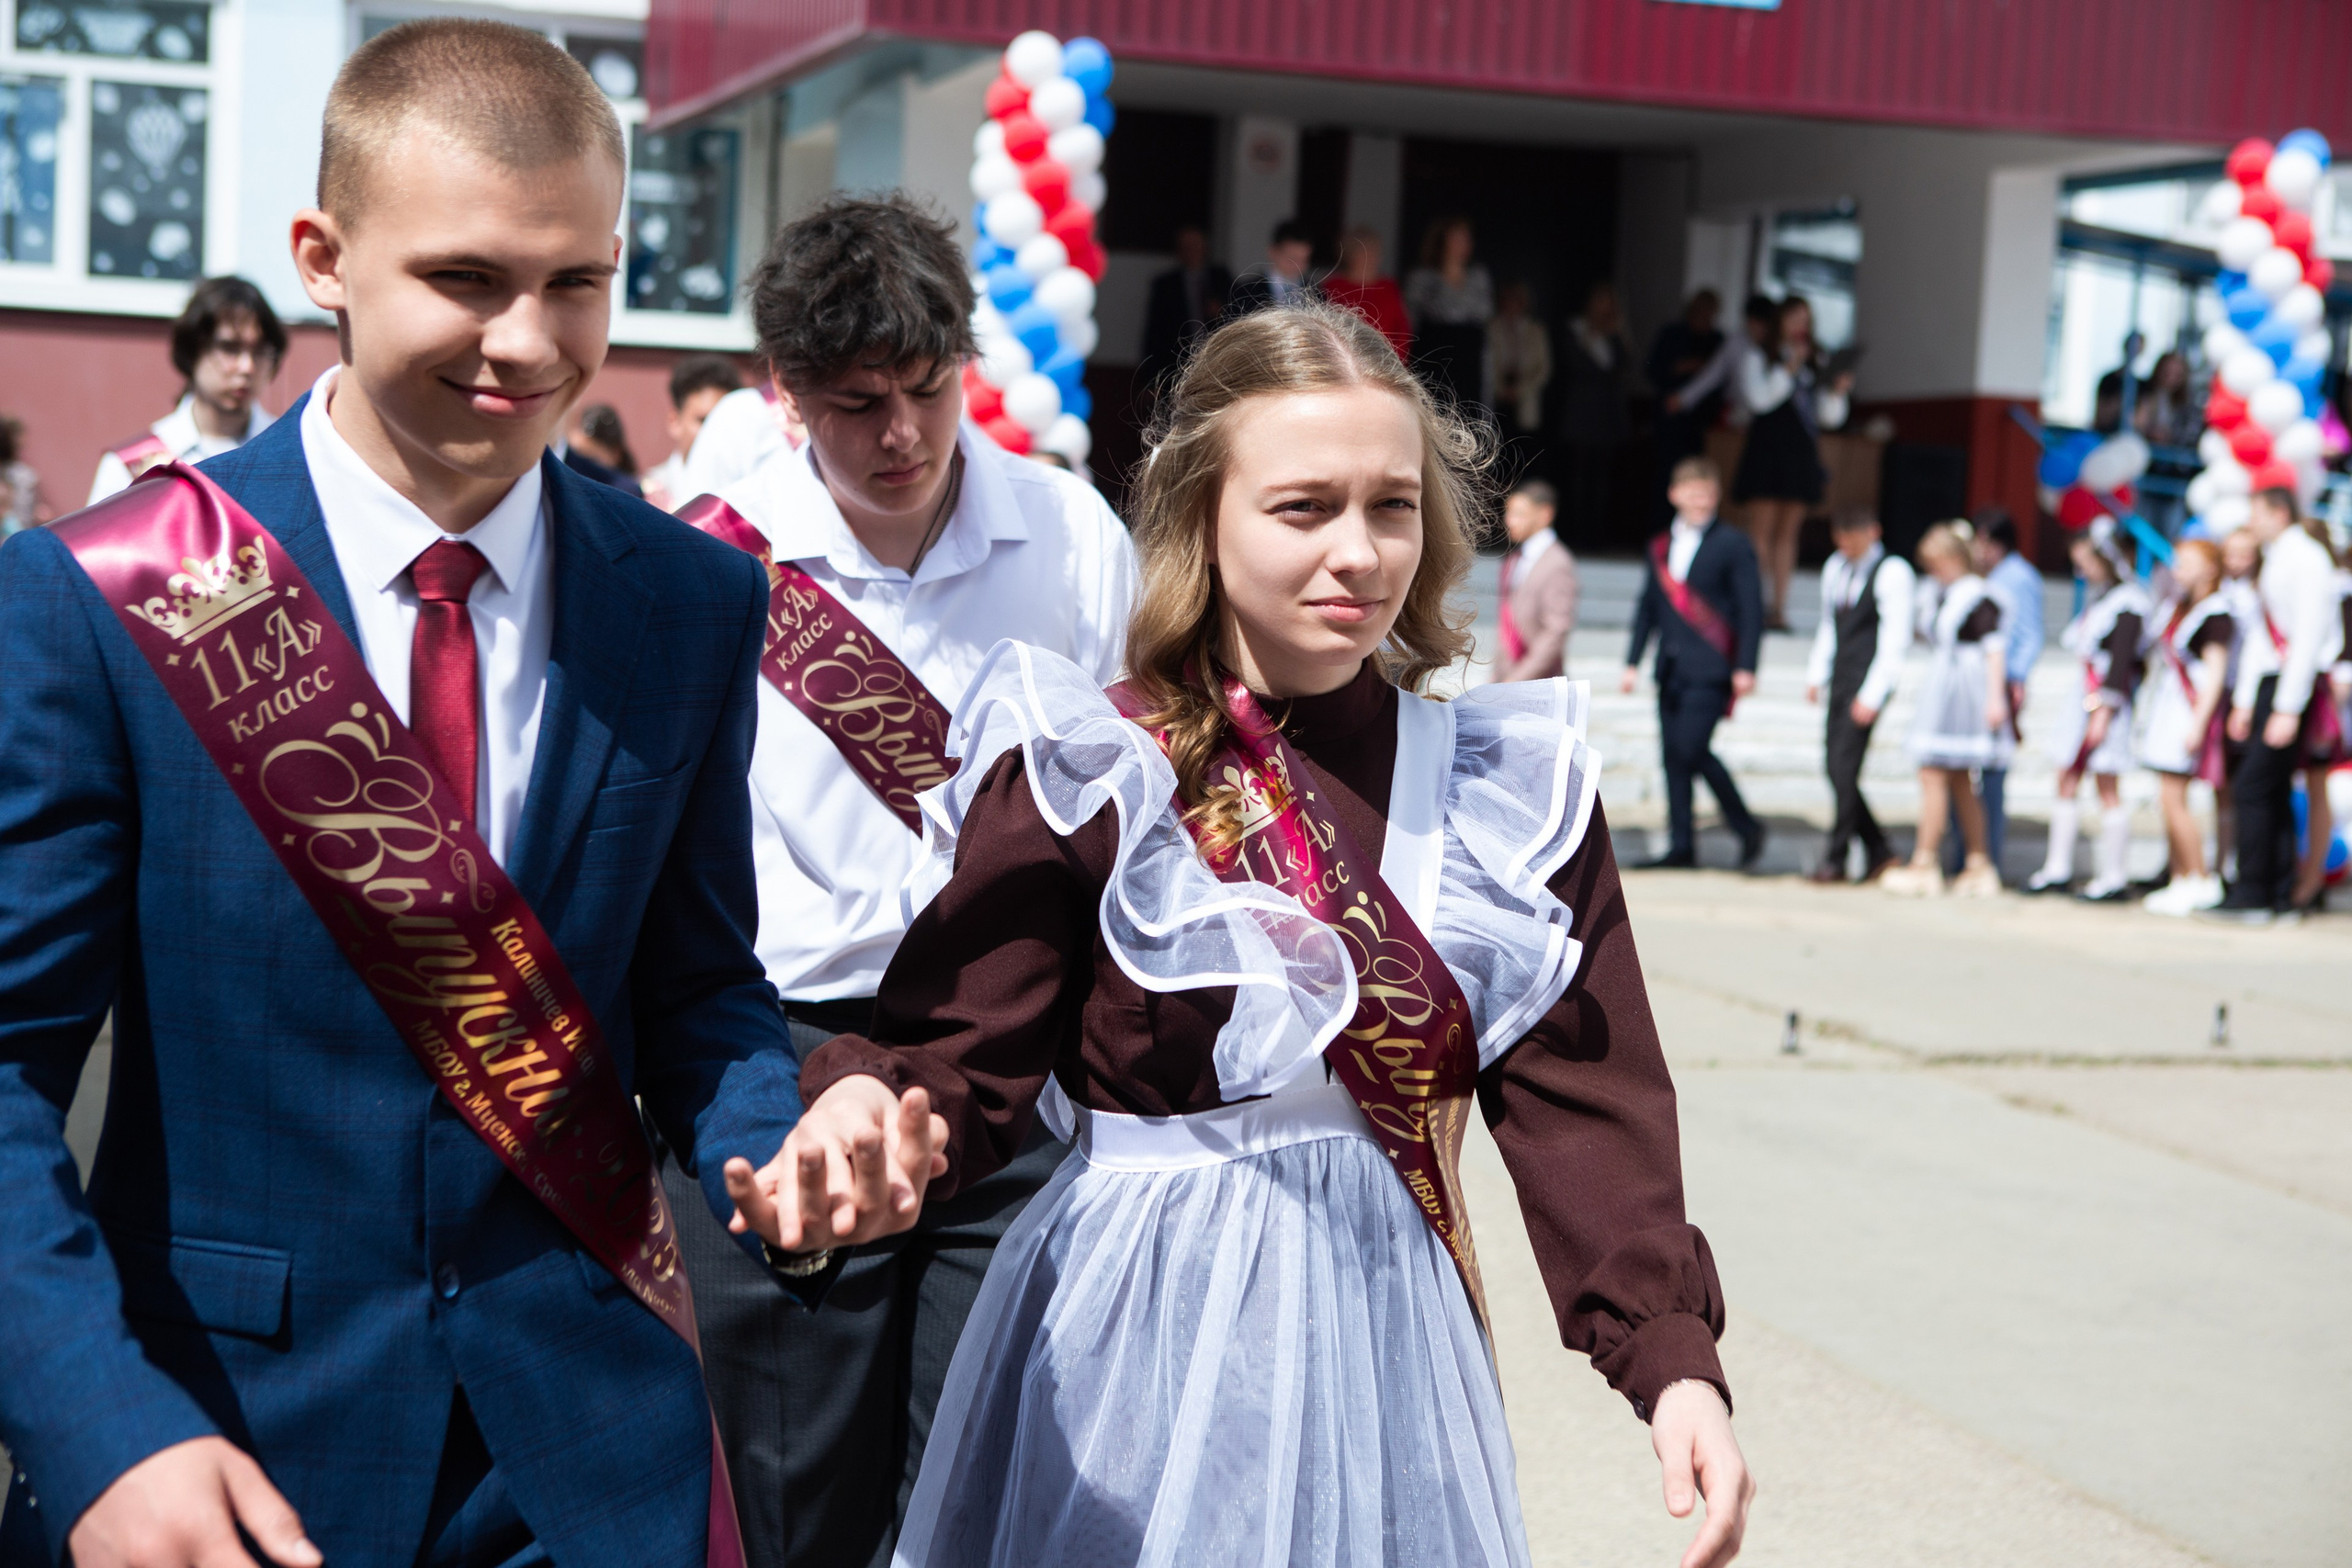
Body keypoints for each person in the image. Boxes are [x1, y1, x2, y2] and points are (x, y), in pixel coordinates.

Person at [0, 21, 913, 1568]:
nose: (531, 341)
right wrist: (96, 1424)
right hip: (217, 1445)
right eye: (468, 279)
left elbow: (696, 990)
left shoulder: (691, 601)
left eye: (578, 282)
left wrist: (787, 1131)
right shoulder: (107, 597)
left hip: (585, 1454)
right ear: (324, 258)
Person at [754, 299, 1751, 1568]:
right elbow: (961, 1055)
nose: (1359, 553)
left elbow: (1587, 1100)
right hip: (1138, 1337)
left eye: (1392, 506)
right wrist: (869, 1111)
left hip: (1387, 1335)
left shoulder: (1504, 787)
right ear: (1202, 520)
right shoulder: (1096, 766)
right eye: (1303, 508)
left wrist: (1673, 1363)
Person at [665, 191, 1137, 1568]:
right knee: (792, 1491)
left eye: (929, 390)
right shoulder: (703, 558)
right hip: (776, 1055)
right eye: (857, 402)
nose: (902, 436)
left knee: (981, 1492)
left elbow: (1133, 798)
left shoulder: (1069, 535)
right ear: (784, 387)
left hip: (1010, 1057)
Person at [2206, 489, 2346, 922]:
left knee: (2254, 786)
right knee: (2272, 787)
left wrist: (2287, 706)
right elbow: (2263, 636)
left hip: (2292, 685)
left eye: (2258, 512)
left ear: (2279, 513)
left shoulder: (2307, 558)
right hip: (2274, 682)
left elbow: (2307, 637)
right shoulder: (2280, 556)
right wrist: (2246, 700)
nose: (2252, 521)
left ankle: (2256, 891)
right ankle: (2276, 893)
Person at [1623, 456, 1767, 871]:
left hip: (1713, 667)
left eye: (1707, 494)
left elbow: (1751, 609)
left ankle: (1746, 826)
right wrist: (1632, 661)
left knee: (1691, 748)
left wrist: (1746, 666)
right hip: (1670, 668)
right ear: (1675, 495)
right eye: (1693, 493)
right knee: (1673, 757)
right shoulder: (1661, 546)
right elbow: (1648, 607)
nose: (1701, 501)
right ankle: (1682, 846)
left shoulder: (1733, 544)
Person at [2022, 522, 2150, 901]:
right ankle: (2057, 868)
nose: (2082, 571)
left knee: (2107, 785)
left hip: (2104, 704)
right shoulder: (2101, 599)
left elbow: (2121, 663)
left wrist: (2102, 713)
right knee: (2067, 776)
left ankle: (2114, 876)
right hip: (2084, 699)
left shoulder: (2129, 603)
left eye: (2088, 562)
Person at [1883, 523, 2008, 897]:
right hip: (1945, 684)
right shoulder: (1942, 594)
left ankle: (1925, 862)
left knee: (1934, 774)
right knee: (1956, 779)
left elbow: (1994, 649)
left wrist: (1995, 698)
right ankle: (1978, 862)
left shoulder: (1977, 596)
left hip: (1963, 691)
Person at [87, 275, 287, 503]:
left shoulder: (290, 454)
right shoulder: (131, 468)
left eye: (260, 351)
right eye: (229, 348)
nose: (247, 367)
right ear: (193, 351)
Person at [1804, 505, 1916, 883]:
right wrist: (1817, 672)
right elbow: (1829, 624)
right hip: (1841, 674)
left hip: (1867, 677)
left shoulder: (1892, 572)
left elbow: (1895, 638)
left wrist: (1874, 693)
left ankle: (1836, 857)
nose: (1847, 545)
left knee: (1845, 766)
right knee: (1834, 766)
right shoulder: (1836, 567)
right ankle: (1879, 848)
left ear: (1873, 532)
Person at [1731, 295, 1850, 631]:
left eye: (1806, 319)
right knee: (1760, 531)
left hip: (1800, 453)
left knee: (1788, 534)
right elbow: (1758, 399)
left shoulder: (1817, 360)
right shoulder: (1759, 355)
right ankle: (1753, 605)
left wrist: (1837, 392)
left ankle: (1779, 607)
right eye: (1794, 317)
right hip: (1767, 448)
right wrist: (1788, 369)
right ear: (1780, 320)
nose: (1800, 325)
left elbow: (1828, 417)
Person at [1942, 506, 2043, 878]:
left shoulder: (2019, 577)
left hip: (2001, 682)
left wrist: (2014, 681)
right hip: (1974, 681)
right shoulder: (1982, 577)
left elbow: (2028, 635)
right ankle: (1964, 854)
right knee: (1961, 770)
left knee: (1992, 777)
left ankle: (1988, 859)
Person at [2139, 538, 2235, 916]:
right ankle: (2179, 877)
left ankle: (2199, 876)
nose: (2178, 570)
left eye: (2186, 563)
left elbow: (2215, 676)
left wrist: (2198, 724)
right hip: (2169, 706)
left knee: (2173, 797)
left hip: (2188, 711)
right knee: (2166, 797)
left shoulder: (2216, 613)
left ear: (2210, 569)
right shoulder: (2179, 606)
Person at [1556, 280, 1634, 547]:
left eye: (1608, 302)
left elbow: (1624, 366)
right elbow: (1575, 365)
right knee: (1578, 474)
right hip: (1581, 413)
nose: (1603, 308)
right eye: (1599, 301)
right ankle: (1575, 532)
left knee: (1603, 476)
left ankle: (1596, 534)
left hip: (1607, 414)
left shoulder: (1615, 333)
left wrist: (1617, 333)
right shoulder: (1576, 329)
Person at [1649, 289, 1726, 525]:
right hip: (1671, 419)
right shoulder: (1673, 334)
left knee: (1698, 475)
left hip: (1701, 422)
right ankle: (1661, 529)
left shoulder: (1717, 340)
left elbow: (1718, 381)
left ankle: (1691, 525)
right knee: (1666, 475)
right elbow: (1652, 370)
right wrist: (1682, 367)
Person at [1404, 215, 1493, 415]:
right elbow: (1411, 322)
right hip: (1434, 361)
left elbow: (1485, 315)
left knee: (1471, 418)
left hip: (1470, 361)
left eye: (1466, 239)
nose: (1463, 244)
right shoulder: (1421, 278)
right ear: (1442, 240)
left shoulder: (1479, 276)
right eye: (1456, 238)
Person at [1495, 477, 1577, 682]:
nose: (1509, 521)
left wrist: (1517, 679)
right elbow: (1508, 623)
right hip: (1508, 677)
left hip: (1538, 681)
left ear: (1544, 514)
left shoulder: (1558, 563)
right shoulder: (1514, 558)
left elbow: (1556, 631)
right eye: (1509, 513)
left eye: (1519, 514)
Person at [642, 352, 744, 511]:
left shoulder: (746, 492)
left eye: (723, 422)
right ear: (675, 422)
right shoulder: (647, 492)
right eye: (703, 420)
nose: (713, 431)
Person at [1138, 224, 1232, 396]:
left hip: (1217, 363)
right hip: (1175, 367)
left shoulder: (1221, 278)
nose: (1191, 251)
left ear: (1205, 247)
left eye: (1196, 245)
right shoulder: (1165, 285)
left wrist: (1222, 311)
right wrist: (1151, 379)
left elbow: (1238, 317)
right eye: (1185, 246)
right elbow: (1154, 333)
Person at [1320, 225, 1411, 361]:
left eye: (1374, 251)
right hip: (1346, 360)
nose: (1371, 257)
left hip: (1386, 360)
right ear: (1350, 254)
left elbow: (1403, 330)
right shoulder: (1333, 286)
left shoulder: (1389, 286)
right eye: (1363, 252)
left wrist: (1394, 361)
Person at [1485, 278, 1551, 441]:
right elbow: (1486, 364)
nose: (1511, 305)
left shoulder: (1536, 331)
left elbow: (1543, 369)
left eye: (1515, 300)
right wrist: (1500, 389)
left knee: (1524, 443)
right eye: (1507, 300)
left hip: (1525, 399)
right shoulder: (1492, 328)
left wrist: (1520, 390)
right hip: (1497, 399)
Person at [1221, 218, 1317, 317]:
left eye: (1304, 260)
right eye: (1292, 259)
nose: (1298, 266)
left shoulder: (1315, 294)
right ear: (1272, 251)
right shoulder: (1246, 292)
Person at [562, 401, 642, 497]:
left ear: (616, 454)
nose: (580, 464)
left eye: (591, 459)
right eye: (576, 454)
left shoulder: (627, 493)